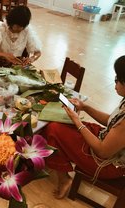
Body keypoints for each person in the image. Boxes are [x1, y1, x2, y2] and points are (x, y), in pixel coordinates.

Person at [42, 55, 125, 199]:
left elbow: (102, 151)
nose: (115, 83)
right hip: (105, 138)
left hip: (108, 163)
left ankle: (64, 179)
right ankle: (62, 171)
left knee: (53, 130)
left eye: (118, 80)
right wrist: (85, 107)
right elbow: (110, 121)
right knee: (60, 125)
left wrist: (77, 121)